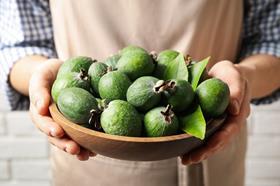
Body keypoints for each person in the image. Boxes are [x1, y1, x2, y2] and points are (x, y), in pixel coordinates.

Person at [0, 0, 279, 186]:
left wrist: (245, 78)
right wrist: (41, 75)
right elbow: (21, 45)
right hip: (88, 162)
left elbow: (271, 42)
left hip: (212, 155)